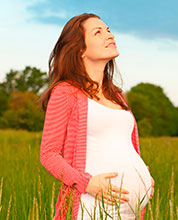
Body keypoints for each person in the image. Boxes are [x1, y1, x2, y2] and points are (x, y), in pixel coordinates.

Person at [40, 13, 154, 220]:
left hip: (131, 209)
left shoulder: (117, 95)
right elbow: (49, 154)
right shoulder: (66, 92)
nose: (109, 35)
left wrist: (142, 174)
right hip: (92, 205)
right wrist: (87, 183)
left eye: (108, 30)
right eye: (98, 32)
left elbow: (119, 143)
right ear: (81, 49)